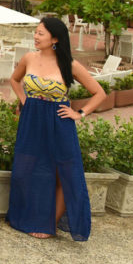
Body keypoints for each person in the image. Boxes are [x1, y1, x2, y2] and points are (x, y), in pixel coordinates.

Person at [8, 16, 106, 241]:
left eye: (40, 33)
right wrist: (24, 100)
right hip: (31, 120)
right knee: (25, 170)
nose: (36, 36)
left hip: (59, 122)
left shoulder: (69, 64)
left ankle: (49, 224)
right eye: (35, 32)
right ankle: (23, 218)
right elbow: (14, 80)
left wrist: (79, 114)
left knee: (64, 175)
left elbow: (99, 93)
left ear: (55, 38)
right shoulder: (28, 58)